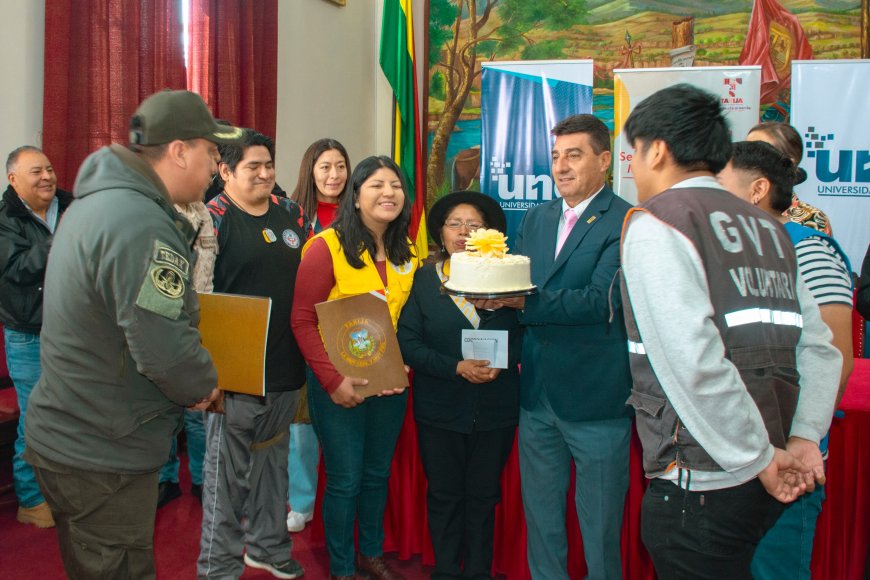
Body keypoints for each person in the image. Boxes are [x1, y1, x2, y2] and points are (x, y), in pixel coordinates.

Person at [619, 83, 841, 579]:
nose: (631, 167)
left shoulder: (659, 223)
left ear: (658, 150)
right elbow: (820, 350)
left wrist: (756, 456)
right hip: (767, 463)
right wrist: (803, 438)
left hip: (703, 478)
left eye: (633, 151)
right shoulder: (770, 229)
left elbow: (693, 362)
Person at [23, 89, 228, 579]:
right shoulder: (141, 223)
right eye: (211, 152)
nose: (215, 168)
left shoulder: (98, 203)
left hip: (74, 433)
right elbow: (163, 348)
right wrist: (204, 384)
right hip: (101, 450)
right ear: (179, 151)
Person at [475, 114, 633, 579]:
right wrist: (491, 299)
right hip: (537, 397)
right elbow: (517, 286)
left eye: (574, 155)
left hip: (597, 401)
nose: (561, 167)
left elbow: (601, 301)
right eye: (557, 156)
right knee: (542, 521)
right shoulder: (537, 217)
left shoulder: (626, 220)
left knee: (600, 530)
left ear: (604, 160)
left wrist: (521, 300)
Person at [717, 140, 854, 579]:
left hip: (788, 455)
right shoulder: (730, 251)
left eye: (720, 182)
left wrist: (802, 437)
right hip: (739, 457)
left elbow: (834, 355)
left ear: (757, 190)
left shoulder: (807, 250)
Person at [292, 155, 418, 580]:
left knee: (377, 474)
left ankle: (370, 553)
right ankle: (343, 567)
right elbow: (302, 320)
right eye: (377, 185)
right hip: (339, 383)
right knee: (345, 479)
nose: (389, 193)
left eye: (396, 185)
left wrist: (403, 365)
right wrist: (333, 381)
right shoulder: (325, 247)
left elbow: (408, 319)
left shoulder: (406, 250)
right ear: (357, 196)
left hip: (390, 382)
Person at [197, 129, 310, 580]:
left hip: (286, 369)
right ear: (225, 171)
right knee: (225, 481)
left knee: (273, 467)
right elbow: (198, 297)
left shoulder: (292, 213)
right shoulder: (212, 219)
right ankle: (218, 567)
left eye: (269, 165)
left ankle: (268, 547)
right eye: (253, 167)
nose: (264, 174)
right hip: (233, 377)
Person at [397, 191, 521, 580]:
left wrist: (501, 361)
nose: (464, 232)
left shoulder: (509, 280)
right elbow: (408, 343)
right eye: (455, 223)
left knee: (484, 497)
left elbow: (526, 334)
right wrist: (455, 367)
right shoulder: (424, 279)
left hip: (495, 407)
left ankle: (479, 572)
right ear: (441, 232)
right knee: (444, 495)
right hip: (440, 407)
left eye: (474, 225)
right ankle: (447, 571)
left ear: (490, 234)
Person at [0, 146, 72, 528]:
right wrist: (62, 238)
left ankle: (64, 490)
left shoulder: (72, 205)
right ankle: (31, 499)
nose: (47, 177)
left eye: (49, 169)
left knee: (74, 415)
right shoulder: (5, 219)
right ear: (13, 179)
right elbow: (18, 269)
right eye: (36, 172)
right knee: (37, 418)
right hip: (29, 336)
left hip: (75, 332)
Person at [285, 137, 351, 533]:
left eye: (340, 166)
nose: (334, 174)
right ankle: (301, 499)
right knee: (301, 425)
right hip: (302, 328)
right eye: (325, 166)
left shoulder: (358, 215)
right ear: (310, 171)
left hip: (347, 331)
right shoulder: (292, 216)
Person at [156, 193, 218, 508]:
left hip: (202, 315)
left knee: (197, 408)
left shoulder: (203, 211)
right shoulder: (155, 207)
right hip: (165, 317)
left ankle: (201, 478)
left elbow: (211, 263)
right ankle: (164, 478)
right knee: (163, 407)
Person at [747, 121, 833, 235]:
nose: (745, 158)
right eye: (745, 149)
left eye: (757, 151)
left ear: (787, 163)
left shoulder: (812, 220)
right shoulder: (732, 209)